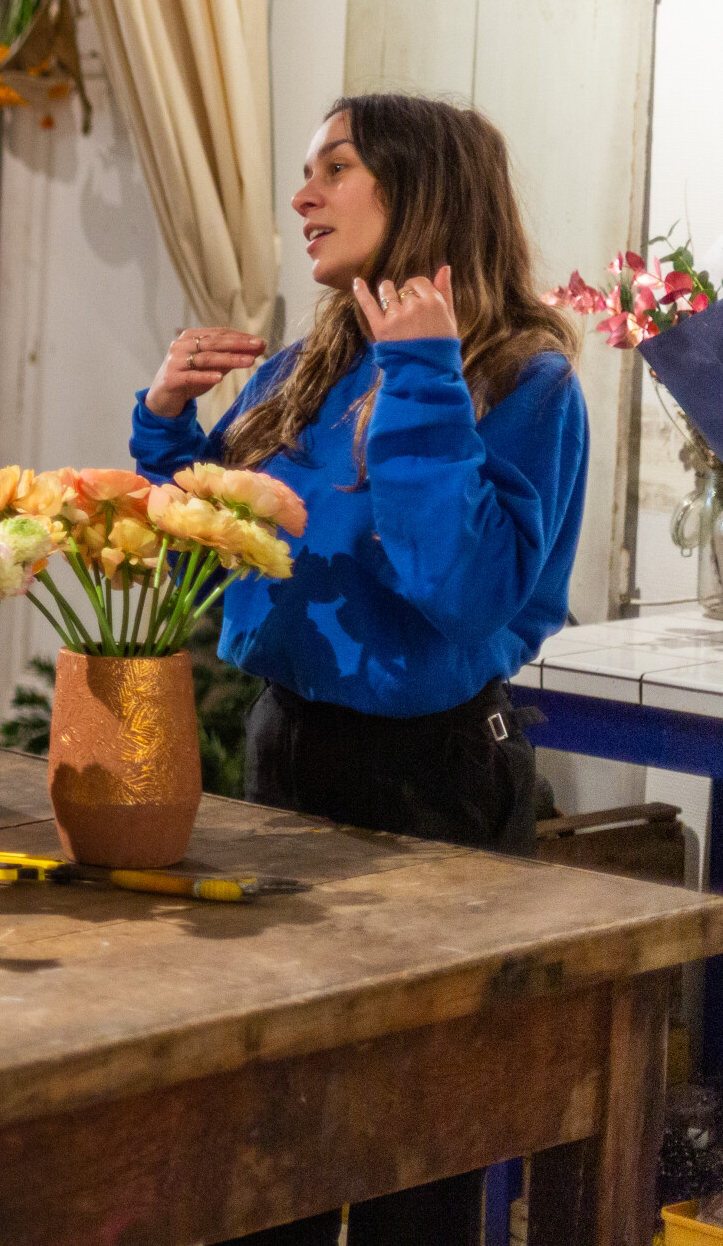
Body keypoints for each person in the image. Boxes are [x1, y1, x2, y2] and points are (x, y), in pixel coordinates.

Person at [132, 93, 585, 1246]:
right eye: (305, 170)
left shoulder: (527, 383)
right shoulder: (310, 360)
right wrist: (168, 430)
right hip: (287, 749)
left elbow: (462, 591)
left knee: (403, 1148)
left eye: (333, 168)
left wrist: (427, 375)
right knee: (268, 1123)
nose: (302, 195)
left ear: (421, 188)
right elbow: (239, 528)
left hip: (432, 785)